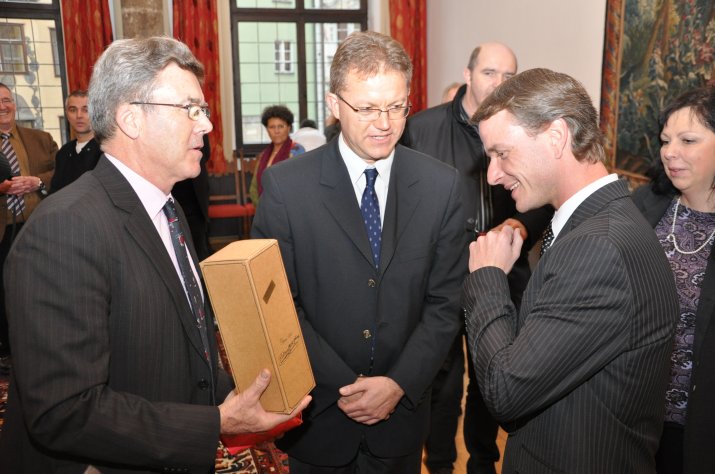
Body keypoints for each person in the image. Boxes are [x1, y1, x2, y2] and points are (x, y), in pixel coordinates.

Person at [0, 36, 310, 473]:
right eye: (190, 109)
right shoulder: (64, 227)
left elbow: (180, 342)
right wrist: (215, 423)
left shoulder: (168, 208)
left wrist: (240, 391)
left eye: (203, 110)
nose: (207, 125)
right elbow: (65, 411)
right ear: (131, 119)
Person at [252, 30, 467, 472]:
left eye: (396, 106)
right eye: (367, 108)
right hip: (319, 420)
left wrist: (398, 384)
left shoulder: (442, 186)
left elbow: (445, 303)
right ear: (334, 105)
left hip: (401, 420)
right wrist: (345, 387)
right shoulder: (287, 188)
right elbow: (277, 308)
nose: (384, 123)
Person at [462, 68, 679, 473]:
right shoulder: (599, 224)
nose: (492, 174)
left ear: (556, 136)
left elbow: (505, 390)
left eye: (502, 153)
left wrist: (487, 276)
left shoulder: (598, 248)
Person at [402, 42, 551, 474]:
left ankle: (483, 462)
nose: (500, 83)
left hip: (504, 273)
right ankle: (441, 463)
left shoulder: (525, 128)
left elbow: (546, 191)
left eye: (509, 76)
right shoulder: (421, 129)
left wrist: (522, 225)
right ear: (468, 75)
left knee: (493, 376)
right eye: (490, 73)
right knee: (443, 382)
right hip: (442, 276)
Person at [631, 86, 715, 474]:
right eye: (666, 140)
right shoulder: (643, 206)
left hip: (701, 429)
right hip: (635, 415)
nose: (669, 151)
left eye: (688, 140)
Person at [0, 82, 57, 373]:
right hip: (2, 233)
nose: (3, 107)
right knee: (4, 294)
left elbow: (63, 173)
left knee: (42, 289)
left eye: (7, 100)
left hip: (37, 227)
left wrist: (38, 181)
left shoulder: (41, 138)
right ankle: (7, 350)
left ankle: (45, 347)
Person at [248, 104, 305, 206]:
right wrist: (263, 208)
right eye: (272, 127)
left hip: (289, 210)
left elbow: (299, 186)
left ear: (289, 128)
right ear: (267, 129)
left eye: (281, 126)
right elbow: (254, 188)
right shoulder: (263, 155)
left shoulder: (297, 151)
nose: (276, 131)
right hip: (263, 209)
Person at [50, 89, 102, 193]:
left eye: (85, 110)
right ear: (67, 114)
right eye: (73, 110)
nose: (79, 115)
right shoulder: (63, 153)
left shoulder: (106, 150)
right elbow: (55, 192)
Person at [172, 134, 212, 260]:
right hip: (176, 192)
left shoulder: (199, 127)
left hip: (195, 193)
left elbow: (206, 153)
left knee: (199, 247)